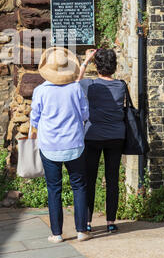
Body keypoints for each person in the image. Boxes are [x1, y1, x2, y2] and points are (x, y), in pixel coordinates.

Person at [30, 47, 92, 243]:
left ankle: (57, 233)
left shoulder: (40, 91)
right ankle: (82, 230)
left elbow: (35, 118)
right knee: (79, 186)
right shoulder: (76, 88)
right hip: (74, 143)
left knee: (54, 189)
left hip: (49, 145)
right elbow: (85, 115)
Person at [78, 48, 126, 234]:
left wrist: (85, 61)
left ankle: (88, 222)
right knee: (112, 179)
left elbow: (74, 82)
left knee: (89, 179)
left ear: (96, 66)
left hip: (93, 136)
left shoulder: (90, 85)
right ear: (114, 66)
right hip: (116, 136)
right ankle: (110, 222)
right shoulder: (121, 86)